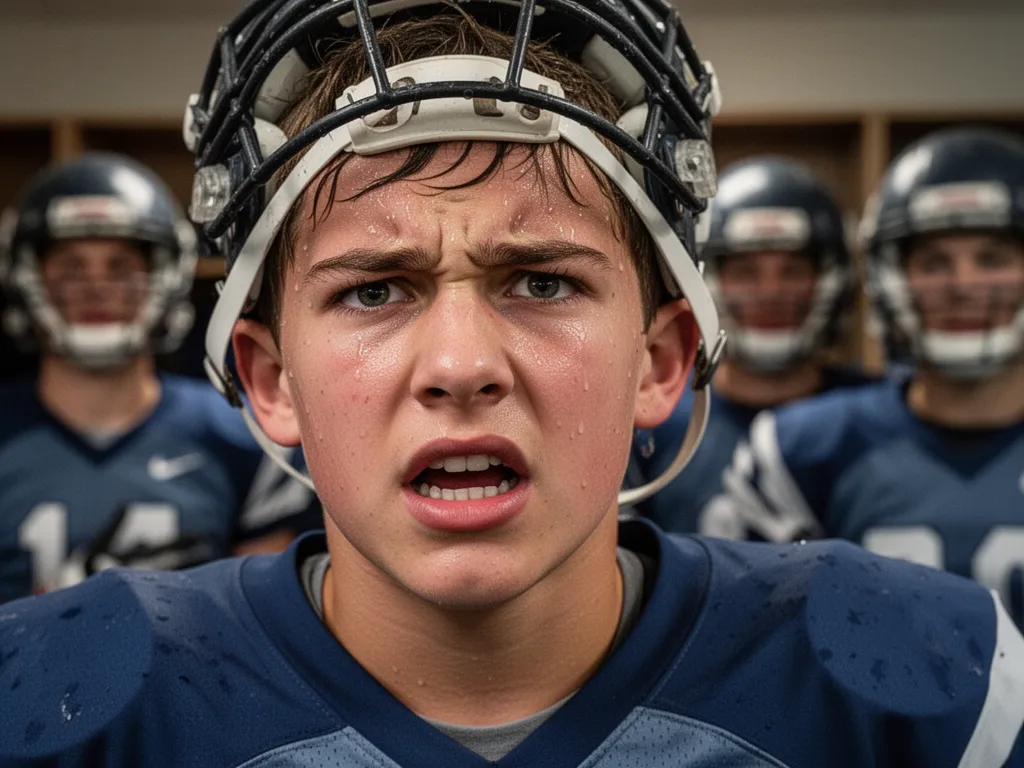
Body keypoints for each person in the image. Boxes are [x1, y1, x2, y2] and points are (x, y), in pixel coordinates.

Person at [1, 5, 1022, 766]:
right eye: (374, 290)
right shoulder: (63, 697)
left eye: (541, 281)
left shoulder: (930, 687)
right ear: (269, 381)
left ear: (659, 361)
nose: (459, 367)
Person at [704, 128, 1024, 629]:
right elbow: (750, 645)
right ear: (890, 276)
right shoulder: (798, 448)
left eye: (993, 259)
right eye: (936, 262)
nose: (964, 285)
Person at [0, 152, 319, 603]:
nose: (96, 287)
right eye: (71, 268)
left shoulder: (242, 434)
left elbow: (264, 620)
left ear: (164, 276)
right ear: (30, 277)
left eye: (121, 267)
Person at [624, 157, 872, 533]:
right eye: (746, 272)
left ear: (829, 279)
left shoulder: (880, 416)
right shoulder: (653, 418)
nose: (770, 292)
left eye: (792, 272)